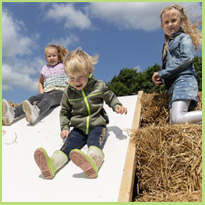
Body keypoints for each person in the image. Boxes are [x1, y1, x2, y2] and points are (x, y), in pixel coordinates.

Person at [34, 48, 127, 179]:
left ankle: (93, 162)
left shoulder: (98, 86)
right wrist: (65, 127)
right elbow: (64, 111)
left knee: (94, 142)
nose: (76, 81)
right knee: (67, 146)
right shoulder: (69, 92)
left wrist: (117, 105)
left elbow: (110, 97)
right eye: (71, 78)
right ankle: (52, 164)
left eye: (80, 77)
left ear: (89, 72)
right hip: (78, 128)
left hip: (97, 125)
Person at [152, 4, 202, 125]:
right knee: (174, 124)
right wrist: (162, 78)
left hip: (184, 82)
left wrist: (162, 73)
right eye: (166, 22)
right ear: (162, 26)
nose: (170, 24)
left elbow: (187, 58)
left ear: (181, 22)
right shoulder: (167, 45)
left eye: (174, 20)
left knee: (178, 118)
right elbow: (172, 67)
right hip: (174, 87)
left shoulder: (184, 38)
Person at [2, 44, 69, 125]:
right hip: (47, 92)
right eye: (49, 56)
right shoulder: (44, 68)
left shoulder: (63, 66)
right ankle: (12, 114)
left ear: (58, 55)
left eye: (54, 55)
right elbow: (40, 82)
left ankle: (36, 112)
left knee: (49, 98)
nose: (51, 58)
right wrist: (41, 93)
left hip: (61, 92)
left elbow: (72, 76)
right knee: (33, 98)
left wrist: (70, 85)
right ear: (46, 57)